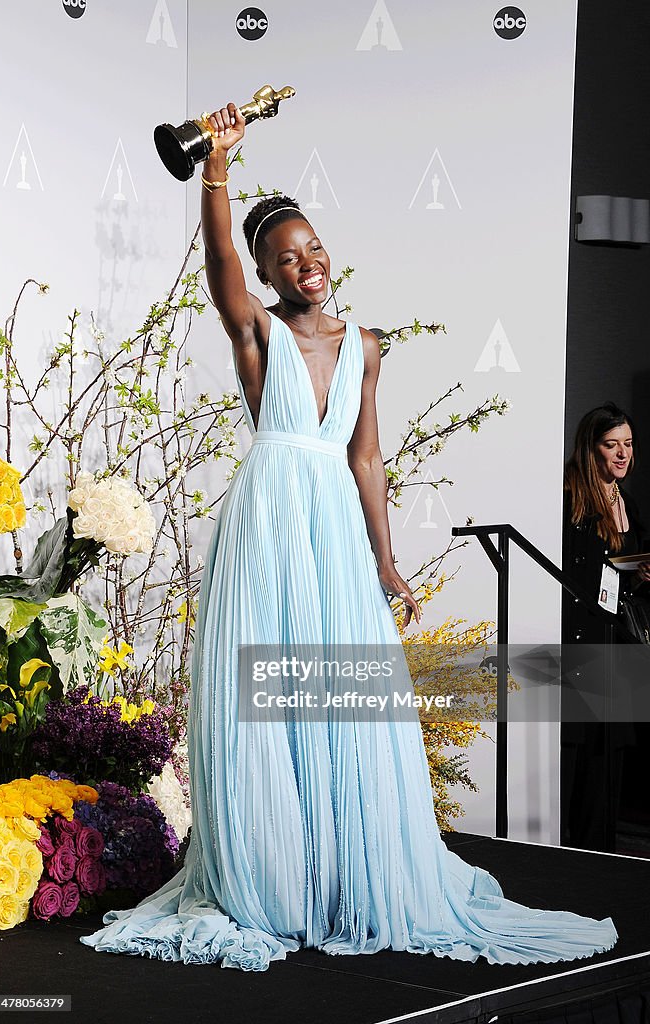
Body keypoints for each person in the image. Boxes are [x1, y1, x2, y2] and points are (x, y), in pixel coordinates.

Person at [81, 104, 617, 970]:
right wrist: (217, 169)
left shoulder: (365, 344)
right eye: (285, 257)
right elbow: (218, 267)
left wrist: (387, 558)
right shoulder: (257, 330)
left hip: (333, 524)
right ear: (266, 271)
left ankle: (340, 876)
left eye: (313, 247)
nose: (307, 264)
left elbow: (367, 458)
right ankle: (275, 880)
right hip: (269, 523)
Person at [562, 402, 650, 850]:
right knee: (577, 748)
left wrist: (640, 571)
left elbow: (628, 568)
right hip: (583, 639)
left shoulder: (627, 501)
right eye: (611, 445)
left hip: (621, 637)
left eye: (628, 445)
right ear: (591, 448)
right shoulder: (572, 496)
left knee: (612, 750)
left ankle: (602, 852)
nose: (622, 454)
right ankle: (567, 852)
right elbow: (573, 569)